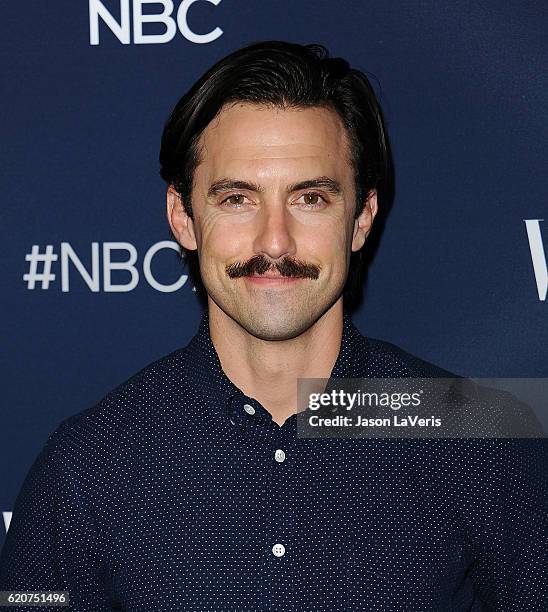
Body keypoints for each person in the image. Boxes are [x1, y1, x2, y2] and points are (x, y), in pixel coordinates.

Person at [1, 40, 546, 611]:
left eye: (310, 198)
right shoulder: (88, 464)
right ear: (183, 217)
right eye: (238, 198)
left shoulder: (480, 437)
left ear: (361, 219)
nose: (275, 242)